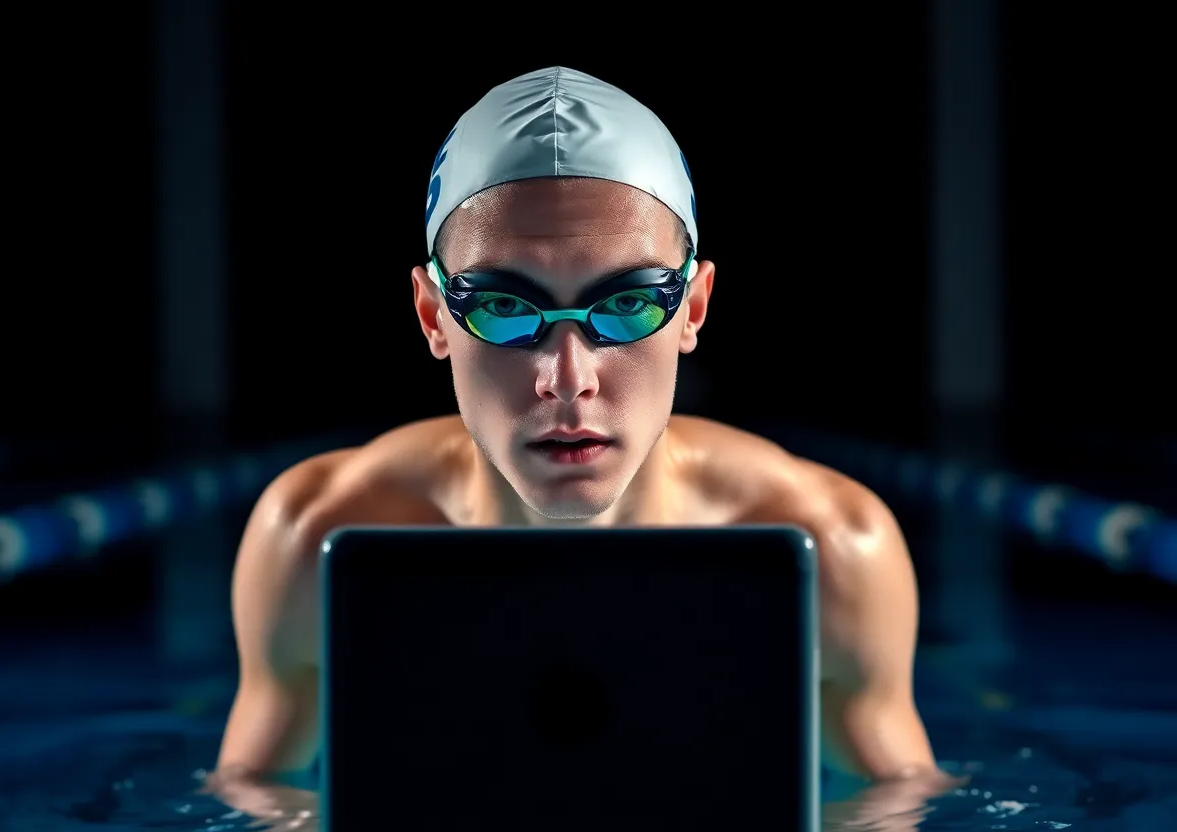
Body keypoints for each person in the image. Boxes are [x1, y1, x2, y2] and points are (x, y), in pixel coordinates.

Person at [209, 66, 954, 828]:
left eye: (628, 303)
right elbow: (257, 799)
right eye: (503, 306)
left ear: (692, 309)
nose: (568, 381)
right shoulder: (312, 535)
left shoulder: (835, 551)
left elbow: (890, 807)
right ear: (433, 317)